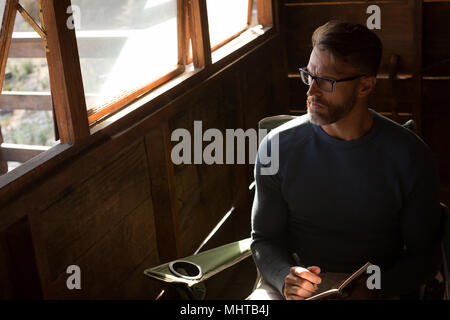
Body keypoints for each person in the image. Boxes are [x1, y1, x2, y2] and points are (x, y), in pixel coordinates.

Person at [249, 21, 442, 300]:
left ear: (365, 86)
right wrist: (284, 278)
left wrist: (377, 288)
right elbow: (264, 239)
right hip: (297, 287)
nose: (311, 91)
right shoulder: (276, 147)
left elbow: (426, 255)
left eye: (326, 81)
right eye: (308, 75)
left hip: (377, 287)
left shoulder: (410, 156)